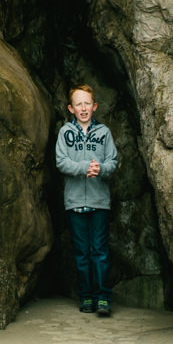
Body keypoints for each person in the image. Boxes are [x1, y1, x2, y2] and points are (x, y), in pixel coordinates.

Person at [55, 84, 118, 316]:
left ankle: (103, 297)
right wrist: (84, 167)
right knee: (81, 253)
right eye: (79, 104)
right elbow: (61, 161)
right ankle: (87, 297)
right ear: (71, 108)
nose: (83, 108)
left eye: (87, 104)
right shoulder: (64, 133)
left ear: (95, 106)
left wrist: (100, 168)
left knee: (99, 251)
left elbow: (113, 161)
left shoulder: (104, 133)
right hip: (74, 202)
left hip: (99, 201)